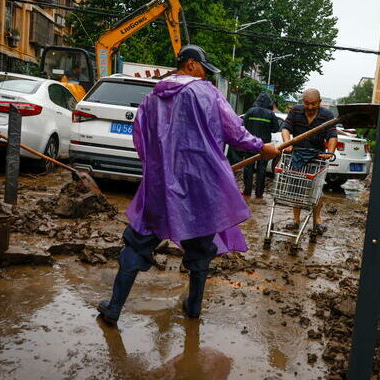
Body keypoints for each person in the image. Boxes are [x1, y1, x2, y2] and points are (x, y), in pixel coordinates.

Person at [97, 45, 280, 324]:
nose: (206, 75)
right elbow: (235, 132)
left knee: (137, 243)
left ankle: (114, 307)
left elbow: (140, 140)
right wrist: (262, 147)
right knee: (200, 247)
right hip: (202, 186)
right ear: (191, 64)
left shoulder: (151, 97)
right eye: (204, 69)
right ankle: (193, 308)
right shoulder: (206, 93)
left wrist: (158, 171)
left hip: (160, 186)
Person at [281, 88, 337, 235]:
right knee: (296, 186)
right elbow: (286, 129)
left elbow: (332, 135)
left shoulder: (327, 115)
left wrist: (330, 153)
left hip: (316, 158)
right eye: (307, 103)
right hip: (297, 155)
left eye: (313, 104)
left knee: (317, 189)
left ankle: (318, 220)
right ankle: (295, 220)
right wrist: (288, 144)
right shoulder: (295, 111)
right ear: (302, 102)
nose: (310, 107)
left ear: (319, 102)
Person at [241, 92, 280, 198]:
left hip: (250, 144)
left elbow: (242, 125)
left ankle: (247, 192)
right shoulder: (270, 114)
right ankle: (259, 194)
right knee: (261, 169)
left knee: (248, 168)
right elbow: (276, 129)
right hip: (264, 146)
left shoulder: (250, 111)